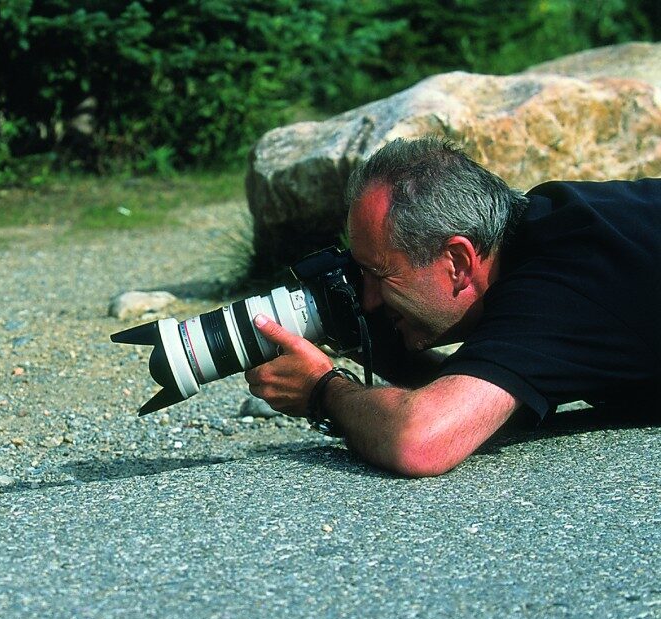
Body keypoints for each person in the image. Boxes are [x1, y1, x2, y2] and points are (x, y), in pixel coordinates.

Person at [244, 136, 661, 477]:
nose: (368, 299)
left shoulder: (557, 287)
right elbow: (483, 403)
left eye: (379, 274)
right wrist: (373, 344)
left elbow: (419, 440)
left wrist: (323, 390)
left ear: (458, 262)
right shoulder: (546, 227)